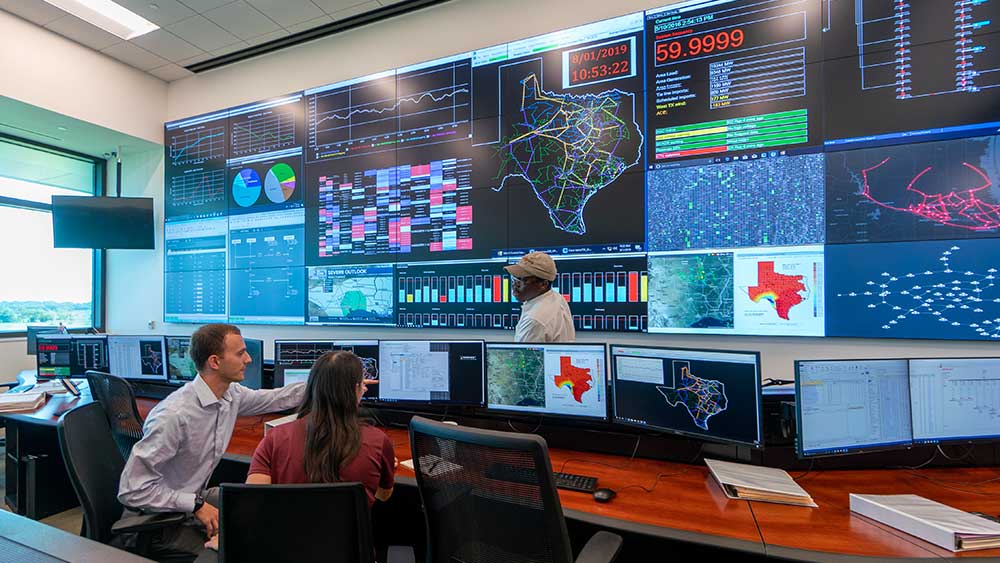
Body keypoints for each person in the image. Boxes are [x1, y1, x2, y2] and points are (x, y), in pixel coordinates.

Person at [116, 324, 306, 561]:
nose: (248, 359)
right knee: (238, 551)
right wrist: (196, 506)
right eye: (240, 354)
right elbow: (131, 490)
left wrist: (326, 382)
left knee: (261, 503)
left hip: (188, 501)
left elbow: (275, 399)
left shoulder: (229, 395)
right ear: (215, 362)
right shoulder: (174, 416)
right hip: (155, 522)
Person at [202, 351, 395, 553]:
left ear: (311, 387)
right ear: (355, 390)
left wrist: (227, 539)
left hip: (283, 553)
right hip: (350, 553)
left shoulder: (275, 439)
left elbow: (253, 503)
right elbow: (383, 495)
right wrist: (382, 464)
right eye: (360, 386)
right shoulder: (378, 442)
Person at [505, 251, 576, 343]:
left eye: (521, 280)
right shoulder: (556, 297)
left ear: (543, 284)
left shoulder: (535, 320)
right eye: (514, 279)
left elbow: (522, 356)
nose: (514, 285)